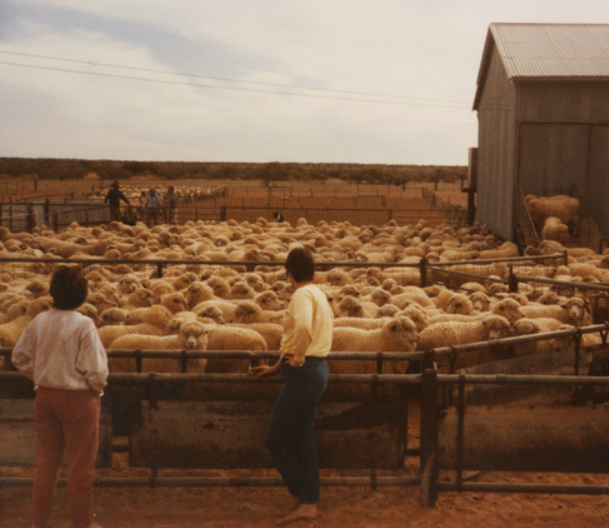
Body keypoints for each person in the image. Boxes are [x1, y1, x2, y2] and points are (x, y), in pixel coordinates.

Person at [11, 266, 108, 528]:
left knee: (45, 465)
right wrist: (95, 389)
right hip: (78, 399)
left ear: (53, 291)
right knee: (80, 467)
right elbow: (97, 370)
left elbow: (18, 356)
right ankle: (82, 523)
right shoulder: (84, 324)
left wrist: (39, 376)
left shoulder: (39, 321)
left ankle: (38, 524)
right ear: (82, 294)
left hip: (45, 397)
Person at [250, 247, 334, 526]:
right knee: (304, 438)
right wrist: (277, 366)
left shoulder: (300, 295)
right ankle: (308, 503)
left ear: (289, 273)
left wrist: (296, 360)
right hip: (317, 370)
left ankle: (301, 492)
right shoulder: (319, 294)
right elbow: (305, 335)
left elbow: (301, 330)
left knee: (274, 441)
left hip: (304, 374)